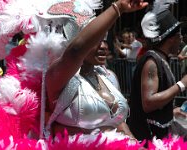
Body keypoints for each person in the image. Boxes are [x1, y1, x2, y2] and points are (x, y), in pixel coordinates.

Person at [44, 0, 148, 141]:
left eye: (104, 40)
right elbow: (75, 52)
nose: (104, 46)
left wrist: (135, 144)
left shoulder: (108, 76)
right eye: (95, 41)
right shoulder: (59, 77)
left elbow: (118, 123)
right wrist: (118, 8)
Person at [128, 0, 187, 142]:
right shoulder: (151, 62)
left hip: (160, 134)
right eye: (179, 36)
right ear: (171, 38)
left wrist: (171, 111)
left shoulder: (160, 59)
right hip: (147, 139)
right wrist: (182, 84)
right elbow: (148, 103)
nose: (181, 40)